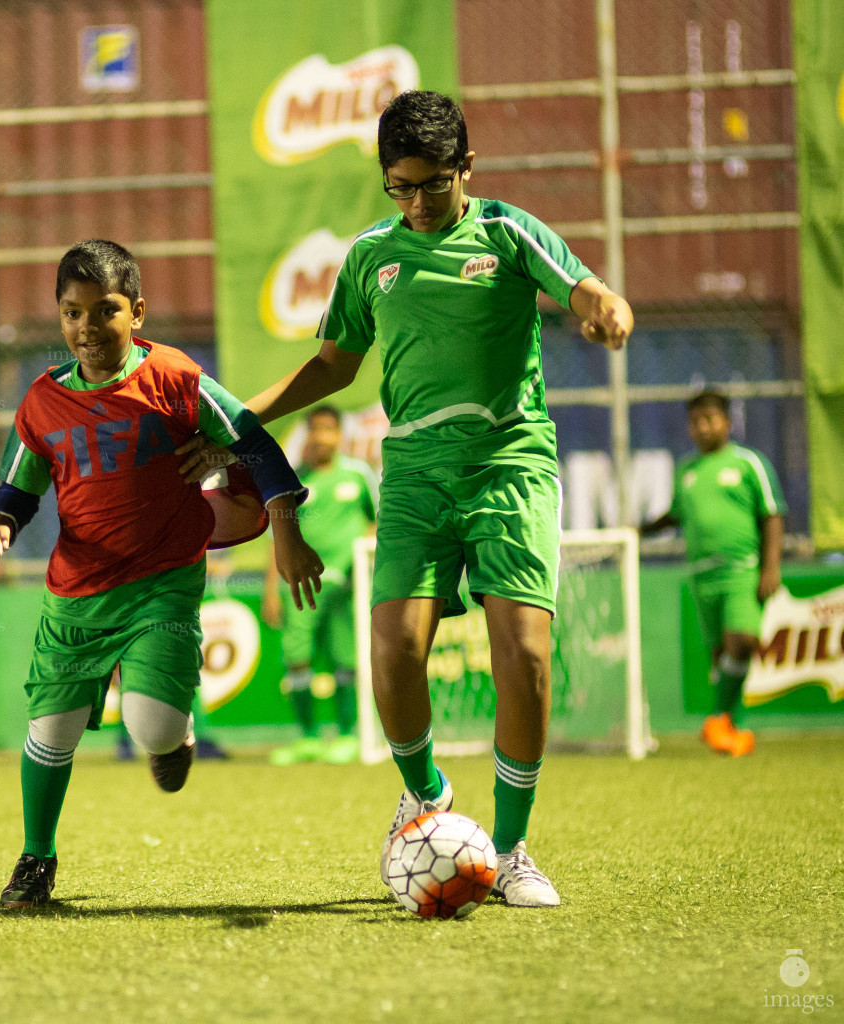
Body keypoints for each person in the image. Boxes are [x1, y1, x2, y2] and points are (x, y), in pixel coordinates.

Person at [178, 90, 634, 907]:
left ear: (467, 168)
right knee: (393, 650)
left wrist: (605, 310)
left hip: (510, 463)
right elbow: (331, 366)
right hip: (417, 471)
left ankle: (516, 846)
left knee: (524, 655)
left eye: (432, 184)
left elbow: (587, 289)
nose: (418, 204)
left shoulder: (507, 232)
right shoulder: (372, 256)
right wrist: (240, 425)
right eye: (401, 186)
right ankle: (426, 797)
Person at [0, 239, 323, 908]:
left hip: (163, 585)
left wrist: (285, 520)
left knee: (153, 732)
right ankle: (35, 860)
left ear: (136, 311)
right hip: (76, 596)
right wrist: (0, 524)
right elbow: (19, 487)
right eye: (71, 313)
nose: (86, 327)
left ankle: (178, 735)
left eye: (103, 310)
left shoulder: (175, 377)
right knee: (51, 734)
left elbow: (252, 436)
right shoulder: (42, 402)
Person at [640, 391, 785, 758]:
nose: (703, 427)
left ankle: (717, 718)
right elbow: (676, 514)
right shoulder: (687, 470)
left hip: (742, 571)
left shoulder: (748, 463)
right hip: (702, 576)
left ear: (728, 423)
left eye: (710, 419)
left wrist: (771, 567)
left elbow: (772, 514)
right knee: (721, 657)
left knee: (743, 640)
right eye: (696, 421)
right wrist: (639, 530)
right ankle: (731, 730)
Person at [263, 405, 378, 766]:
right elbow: (276, 540)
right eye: (316, 429)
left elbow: (377, 524)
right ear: (307, 434)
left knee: (347, 658)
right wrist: (271, 590)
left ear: (340, 435)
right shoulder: (292, 480)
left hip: (348, 586)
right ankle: (308, 738)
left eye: (330, 429)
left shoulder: (359, 475)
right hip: (299, 585)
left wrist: (364, 568)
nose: (322, 437)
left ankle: (347, 735)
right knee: (297, 658)